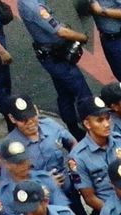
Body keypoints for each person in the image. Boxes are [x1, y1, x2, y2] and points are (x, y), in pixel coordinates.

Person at [16, 0, 91, 137]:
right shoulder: (34, 7)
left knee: (64, 94)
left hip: (51, 55)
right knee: (83, 93)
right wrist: (83, 37)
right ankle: (92, 129)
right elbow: (61, 32)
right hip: (57, 58)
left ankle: (73, 129)